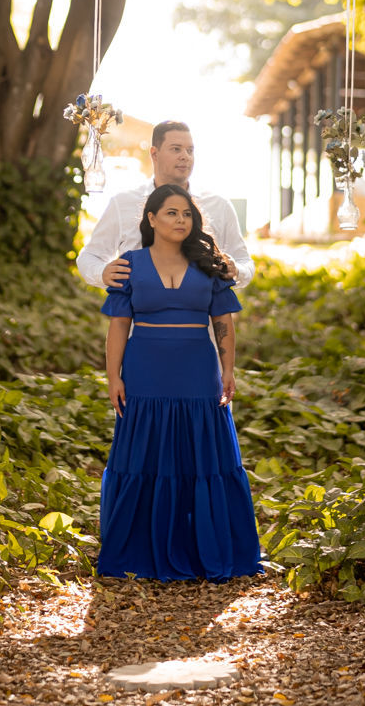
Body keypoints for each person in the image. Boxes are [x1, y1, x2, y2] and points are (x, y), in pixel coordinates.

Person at [97, 182, 263, 581]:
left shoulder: (210, 264)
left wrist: (228, 369)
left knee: (205, 456)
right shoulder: (130, 264)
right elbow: (118, 327)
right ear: (151, 219)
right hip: (144, 373)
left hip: (198, 373)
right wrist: (113, 377)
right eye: (171, 213)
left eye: (187, 214)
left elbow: (223, 322)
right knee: (143, 457)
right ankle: (140, 551)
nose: (181, 220)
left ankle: (204, 548)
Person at [77, 120, 254, 290]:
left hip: (203, 311)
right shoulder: (122, 203)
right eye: (176, 149)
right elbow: (89, 256)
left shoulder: (219, 206)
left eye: (190, 150)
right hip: (138, 310)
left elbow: (244, 261)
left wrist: (237, 270)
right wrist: (102, 273)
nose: (185, 156)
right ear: (154, 154)